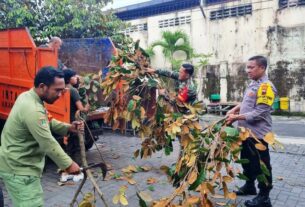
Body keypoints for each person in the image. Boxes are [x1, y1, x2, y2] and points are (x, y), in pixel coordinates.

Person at [0, 66, 82, 206]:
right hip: (20, 171)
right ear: (43, 86)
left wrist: (68, 128)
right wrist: (69, 165)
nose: (60, 95)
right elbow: (48, 143)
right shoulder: (33, 108)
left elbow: (47, 122)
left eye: (62, 91)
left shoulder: (29, 97)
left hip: (18, 165)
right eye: (57, 90)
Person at [226, 56, 277, 207]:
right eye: (247, 67)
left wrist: (236, 117)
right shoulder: (254, 84)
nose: (247, 70)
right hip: (246, 133)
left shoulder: (266, 87)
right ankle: (249, 186)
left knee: (261, 166)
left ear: (262, 68)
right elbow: (246, 103)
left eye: (251, 67)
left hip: (259, 135)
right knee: (247, 161)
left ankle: (264, 197)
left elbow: (259, 113)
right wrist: (234, 109)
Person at [63, 69, 89, 157]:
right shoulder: (73, 90)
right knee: (78, 144)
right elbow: (81, 109)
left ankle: (68, 163)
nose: (76, 78)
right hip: (75, 121)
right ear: (68, 79)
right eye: (73, 76)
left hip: (66, 119)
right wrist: (87, 107)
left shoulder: (63, 89)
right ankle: (78, 165)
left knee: (70, 144)